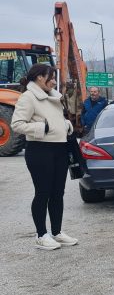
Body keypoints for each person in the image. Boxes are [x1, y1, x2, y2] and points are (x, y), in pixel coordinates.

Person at [11, 64, 79, 250]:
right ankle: (41, 234)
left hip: (59, 149)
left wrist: (65, 124)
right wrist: (42, 128)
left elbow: (52, 119)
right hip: (40, 150)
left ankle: (56, 232)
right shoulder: (28, 97)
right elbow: (17, 124)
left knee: (58, 193)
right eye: (51, 77)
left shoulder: (53, 96)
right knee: (43, 193)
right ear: (40, 77)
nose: (54, 81)